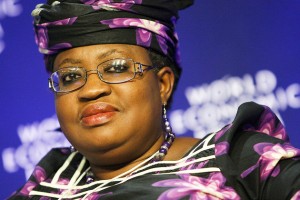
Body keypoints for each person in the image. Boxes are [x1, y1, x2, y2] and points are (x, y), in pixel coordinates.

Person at [8, 0, 300, 199]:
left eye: (116, 68)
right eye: (71, 77)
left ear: (162, 84)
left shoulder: (238, 161)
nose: (90, 90)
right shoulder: (43, 189)